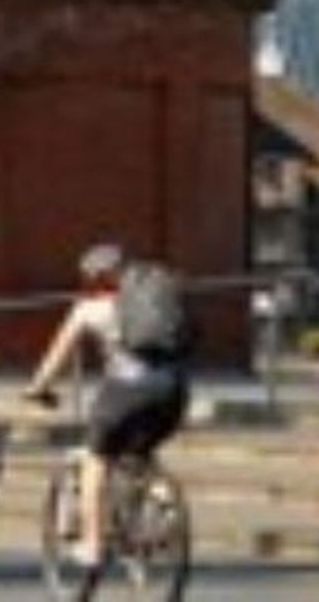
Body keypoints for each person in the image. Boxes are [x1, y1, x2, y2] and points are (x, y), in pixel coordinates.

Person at [22, 244, 191, 573]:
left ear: (97, 279)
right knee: (142, 449)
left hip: (127, 391)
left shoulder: (88, 309)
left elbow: (56, 357)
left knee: (95, 458)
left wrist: (38, 388)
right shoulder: (156, 299)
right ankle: (165, 505)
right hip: (174, 389)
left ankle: (93, 544)